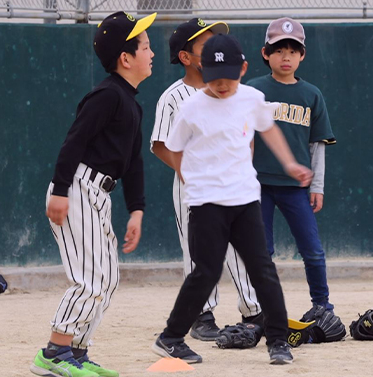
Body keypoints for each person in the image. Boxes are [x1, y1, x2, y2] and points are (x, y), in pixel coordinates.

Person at [151, 34, 311, 365]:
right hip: (207, 203)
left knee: (262, 269)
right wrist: (189, 178)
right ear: (202, 69)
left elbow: (268, 130)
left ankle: (278, 341)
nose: (222, 85)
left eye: (230, 77)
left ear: (244, 68)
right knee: (205, 272)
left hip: (244, 200)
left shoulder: (251, 98)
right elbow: (174, 147)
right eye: (214, 78)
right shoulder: (191, 106)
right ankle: (170, 338)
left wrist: (290, 163)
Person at [30, 11, 156, 377]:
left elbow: (132, 163)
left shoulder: (132, 104)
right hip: (77, 187)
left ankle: (77, 350)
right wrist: (59, 189)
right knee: (90, 277)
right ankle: (55, 351)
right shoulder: (106, 96)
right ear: (126, 58)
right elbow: (75, 142)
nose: (151, 52)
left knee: (109, 276)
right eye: (145, 47)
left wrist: (137, 210)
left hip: (100, 194)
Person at [150, 18, 262, 341]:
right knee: (198, 249)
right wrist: (188, 171)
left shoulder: (232, 91)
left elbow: (247, 134)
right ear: (186, 57)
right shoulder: (173, 97)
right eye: (206, 46)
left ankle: (254, 309)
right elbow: (160, 144)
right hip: (193, 188)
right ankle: (202, 313)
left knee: (242, 247)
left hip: (234, 183)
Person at [247, 17, 336, 320]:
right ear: (265, 53)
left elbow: (317, 145)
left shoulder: (311, 94)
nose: (286, 57)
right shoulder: (253, 90)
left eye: (292, 51)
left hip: (296, 188)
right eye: (279, 50)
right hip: (257, 184)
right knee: (262, 252)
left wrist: (318, 186)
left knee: (311, 249)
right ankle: (261, 309)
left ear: (302, 55)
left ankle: (322, 304)